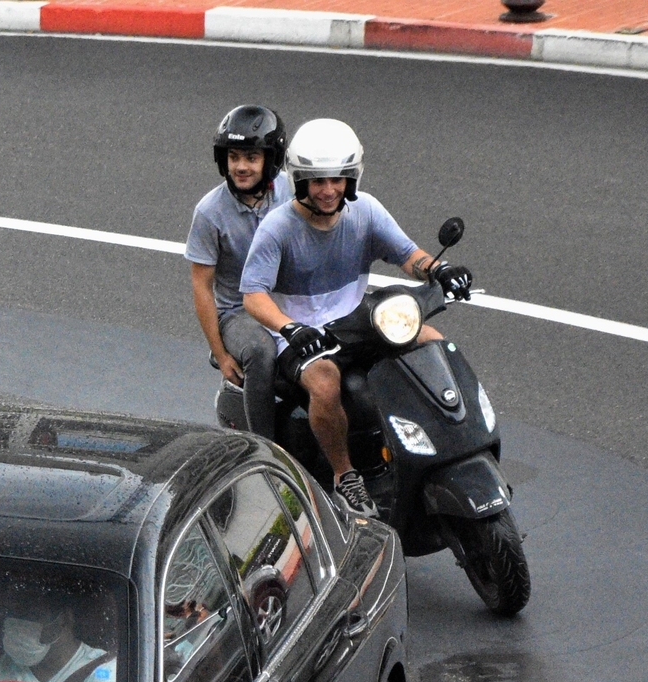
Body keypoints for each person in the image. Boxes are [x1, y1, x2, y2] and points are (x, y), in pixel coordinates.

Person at [238, 117, 474, 520]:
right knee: (325, 381)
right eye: (318, 181)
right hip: (302, 333)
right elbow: (252, 296)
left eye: (338, 180)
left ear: (352, 179)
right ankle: (345, 476)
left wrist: (439, 270)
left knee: (430, 339)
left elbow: (408, 255)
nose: (329, 191)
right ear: (300, 182)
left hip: (355, 317)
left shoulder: (366, 211)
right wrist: (290, 328)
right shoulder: (278, 227)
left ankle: (452, 439)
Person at [186, 105, 294, 443]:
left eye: (251, 157)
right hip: (240, 313)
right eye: (234, 157)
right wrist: (220, 354)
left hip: (291, 304)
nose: (241, 167)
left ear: (270, 160)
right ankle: (268, 450)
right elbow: (202, 287)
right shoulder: (209, 212)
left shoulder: (293, 193)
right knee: (261, 352)